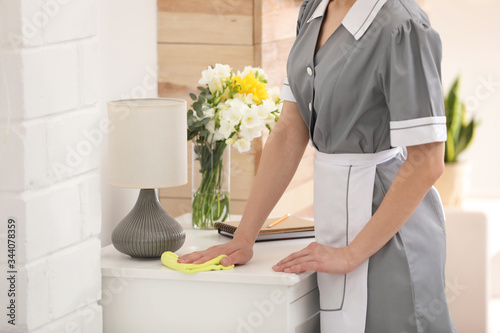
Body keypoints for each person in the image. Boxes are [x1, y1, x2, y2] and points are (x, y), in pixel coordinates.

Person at [179, 0, 457, 331]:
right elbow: (288, 131)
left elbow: (427, 160)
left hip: (392, 232)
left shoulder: (403, 25)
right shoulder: (313, 11)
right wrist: (244, 238)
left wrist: (352, 254)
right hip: (335, 219)